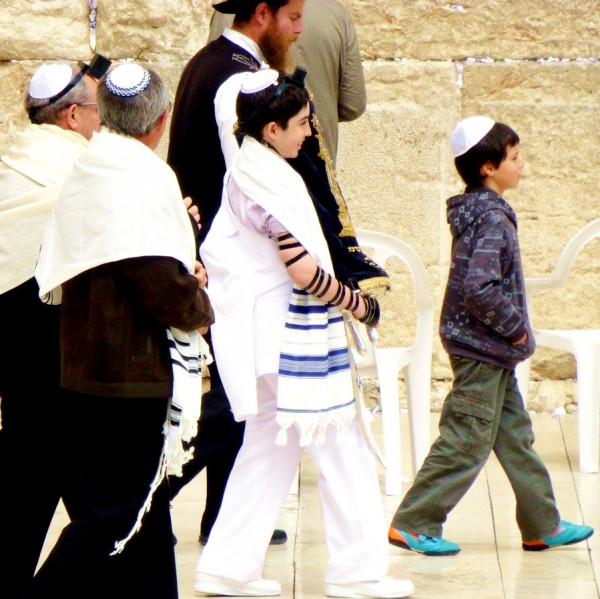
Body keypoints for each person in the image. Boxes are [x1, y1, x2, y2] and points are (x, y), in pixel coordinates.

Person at [167, 0, 386, 548]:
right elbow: (293, 249)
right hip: (262, 289)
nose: (299, 30)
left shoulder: (206, 62)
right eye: (291, 19)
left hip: (236, 273)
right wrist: (355, 298)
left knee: (256, 422)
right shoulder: (250, 109)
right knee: (235, 412)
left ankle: (226, 546)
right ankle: (143, 503)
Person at [194, 67, 413, 599]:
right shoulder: (261, 179)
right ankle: (357, 573)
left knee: (269, 447)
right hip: (287, 337)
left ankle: (225, 566)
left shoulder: (255, 169)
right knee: (341, 445)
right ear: (271, 130)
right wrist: (358, 304)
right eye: (300, 124)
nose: (308, 133)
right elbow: (301, 268)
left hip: (273, 336)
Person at [26, 63, 214, 599]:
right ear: (160, 119)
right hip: (130, 378)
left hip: (88, 369)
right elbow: (160, 284)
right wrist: (198, 296)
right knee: (111, 519)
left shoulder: (96, 165)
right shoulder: (139, 177)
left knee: (147, 519)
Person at [387, 116, 595, 556]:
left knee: (515, 437)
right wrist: (518, 330)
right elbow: (480, 290)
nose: (523, 165)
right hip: (481, 350)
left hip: (489, 350)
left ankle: (542, 523)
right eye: (515, 157)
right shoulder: (492, 219)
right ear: (488, 167)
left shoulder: (477, 211)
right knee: (466, 438)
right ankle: (414, 521)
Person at [0, 54, 110, 599]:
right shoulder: (78, 169)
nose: (101, 120)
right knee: (98, 504)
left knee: (30, 479)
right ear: (71, 116)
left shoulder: (17, 156)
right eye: (96, 110)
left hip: (18, 344)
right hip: (55, 344)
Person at [207, 0, 367, 162]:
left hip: (252, 168)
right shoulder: (336, 13)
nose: (298, 29)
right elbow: (352, 106)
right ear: (261, 13)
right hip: (304, 166)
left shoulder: (229, 12)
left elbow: (212, 87)